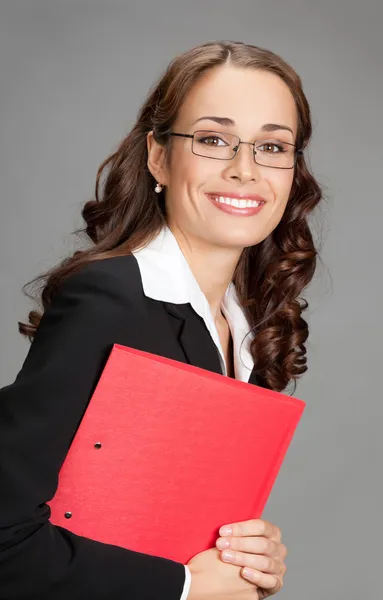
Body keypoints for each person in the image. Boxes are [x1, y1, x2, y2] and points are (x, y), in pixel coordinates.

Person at [0, 40, 322, 600]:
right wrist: (184, 586)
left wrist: (243, 555)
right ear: (157, 157)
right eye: (214, 139)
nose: (245, 170)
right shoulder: (112, 299)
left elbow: (151, 519)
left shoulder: (244, 324)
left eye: (272, 146)